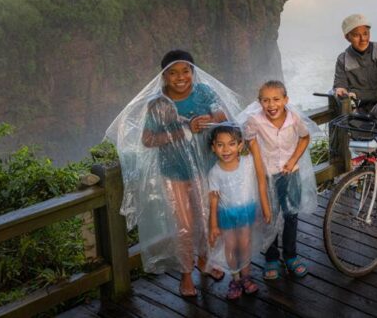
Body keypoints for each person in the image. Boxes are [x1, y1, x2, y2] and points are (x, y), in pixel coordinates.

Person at [106, 50, 242, 298]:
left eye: (185, 71)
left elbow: (222, 114)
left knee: (205, 219)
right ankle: (186, 275)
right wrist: (182, 131)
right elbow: (147, 140)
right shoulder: (159, 104)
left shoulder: (203, 92)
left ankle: (204, 261)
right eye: (173, 72)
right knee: (185, 227)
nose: (180, 77)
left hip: (204, 169)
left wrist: (208, 118)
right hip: (174, 174)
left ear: (193, 72)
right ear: (164, 76)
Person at [243, 80, 318, 281]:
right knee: (270, 216)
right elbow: (250, 142)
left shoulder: (294, 119)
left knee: (291, 214)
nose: (271, 105)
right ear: (259, 102)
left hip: (290, 173)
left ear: (286, 100)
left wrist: (293, 159)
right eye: (265, 100)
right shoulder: (255, 121)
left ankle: (291, 255)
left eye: (276, 99)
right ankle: (271, 258)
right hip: (267, 175)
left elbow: (304, 137)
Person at [207, 125, 271, 300]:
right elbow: (213, 200)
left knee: (244, 244)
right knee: (230, 246)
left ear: (240, 145)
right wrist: (213, 225)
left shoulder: (248, 162)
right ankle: (235, 279)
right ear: (213, 147)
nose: (226, 149)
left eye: (231, 144)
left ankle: (246, 277)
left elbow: (258, 152)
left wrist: (264, 208)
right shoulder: (214, 172)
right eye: (220, 145)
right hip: (226, 215)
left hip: (246, 212)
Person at [333, 14, 377, 157]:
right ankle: (375, 172)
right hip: (361, 111)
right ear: (347, 37)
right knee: (367, 150)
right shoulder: (343, 59)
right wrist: (340, 91)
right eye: (356, 35)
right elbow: (339, 84)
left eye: (365, 33)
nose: (363, 38)